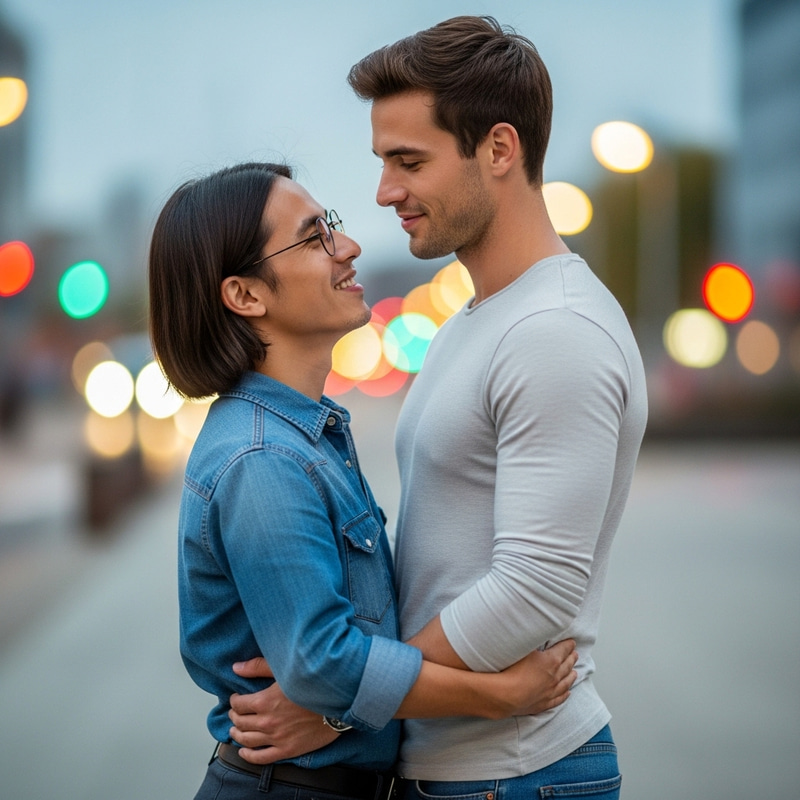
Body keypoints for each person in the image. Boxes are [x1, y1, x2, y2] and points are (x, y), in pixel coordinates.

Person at [228, 15, 648, 800]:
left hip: (518, 772)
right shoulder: (479, 317)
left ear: (498, 149)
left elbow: (534, 588)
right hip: (466, 769)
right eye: (383, 161)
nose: (386, 191)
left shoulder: (554, 330)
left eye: (408, 161)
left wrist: (342, 706)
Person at [148, 161, 579, 800]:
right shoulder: (263, 460)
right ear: (245, 295)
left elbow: (340, 661)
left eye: (335, 227)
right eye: (314, 235)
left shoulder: (303, 437)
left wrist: (332, 704)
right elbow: (323, 661)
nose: (347, 247)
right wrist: (500, 694)